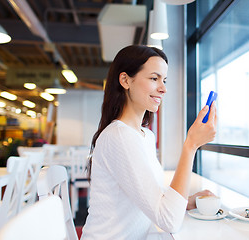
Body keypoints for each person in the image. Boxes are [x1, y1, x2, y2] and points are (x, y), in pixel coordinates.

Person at [81, 45, 217, 240]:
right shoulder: (119, 136)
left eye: (164, 80)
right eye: (154, 79)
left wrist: (187, 202)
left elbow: (147, 195)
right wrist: (191, 145)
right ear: (125, 80)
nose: (163, 88)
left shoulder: (145, 135)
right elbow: (169, 221)